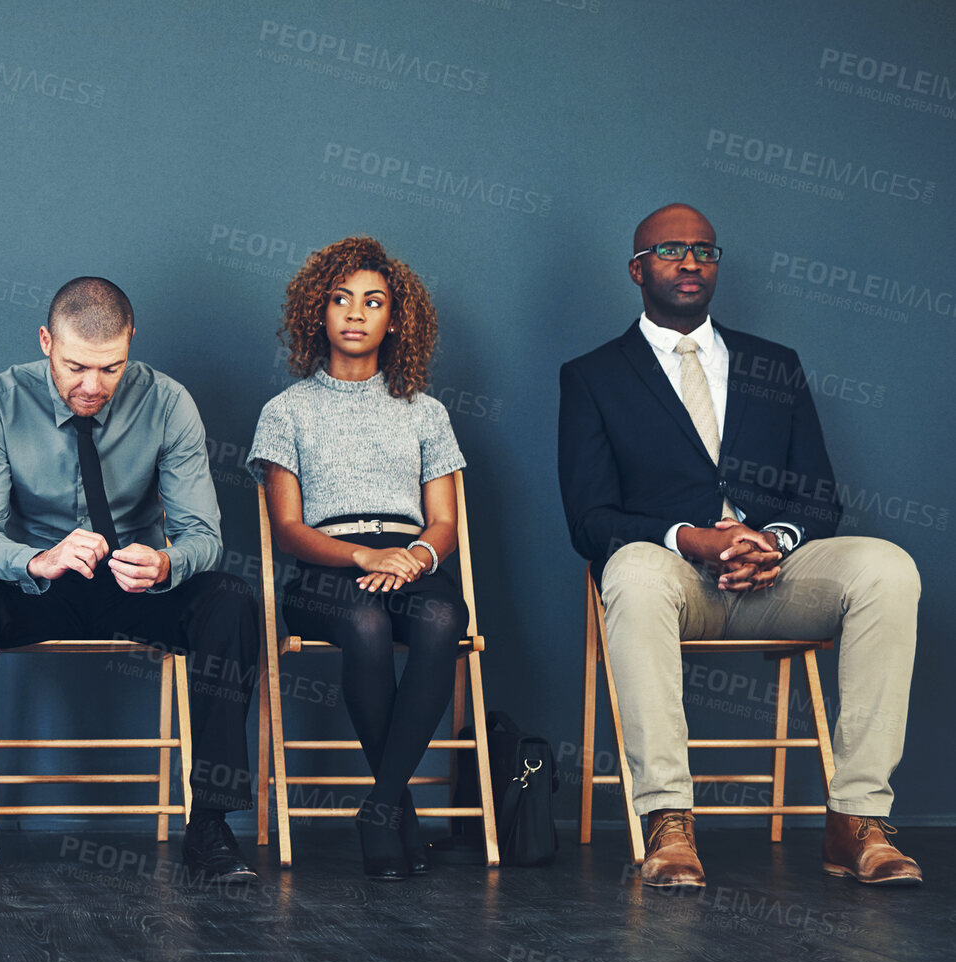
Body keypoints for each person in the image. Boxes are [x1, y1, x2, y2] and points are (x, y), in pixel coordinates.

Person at [558, 203, 922, 888]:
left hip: (775, 580)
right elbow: (588, 517)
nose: (691, 261)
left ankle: (856, 820)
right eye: (671, 249)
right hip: (675, 582)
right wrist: (690, 538)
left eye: (705, 250)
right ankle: (669, 822)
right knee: (629, 569)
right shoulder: (593, 376)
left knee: (887, 568)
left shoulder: (773, 363)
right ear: (637, 269)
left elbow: (819, 496)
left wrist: (775, 541)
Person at [0, 276, 261, 886]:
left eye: (111, 369)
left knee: (232, 600)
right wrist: (36, 561)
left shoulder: (168, 402)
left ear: (131, 341)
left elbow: (205, 538)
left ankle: (210, 826)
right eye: (75, 366)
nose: (92, 386)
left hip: (137, 585)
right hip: (42, 586)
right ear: (46, 342)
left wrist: (167, 563)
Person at [247, 237, 469, 880]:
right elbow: (287, 528)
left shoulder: (425, 412)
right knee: (366, 625)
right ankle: (398, 807)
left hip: (410, 562)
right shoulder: (286, 410)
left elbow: (445, 520)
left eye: (372, 302)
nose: (354, 312)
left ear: (394, 319)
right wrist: (363, 554)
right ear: (318, 311)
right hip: (324, 572)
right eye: (340, 299)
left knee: (439, 621)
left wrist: (416, 557)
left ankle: (378, 807)